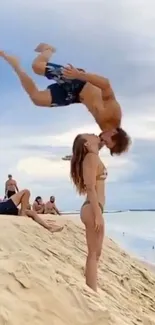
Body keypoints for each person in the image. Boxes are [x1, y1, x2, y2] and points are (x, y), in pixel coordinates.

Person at [0, 45, 131, 155]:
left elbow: (94, 149)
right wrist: (80, 75)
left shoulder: (106, 133)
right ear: (114, 133)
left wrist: (76, 157)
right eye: (107, 142)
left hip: (75, 97)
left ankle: (15, 65)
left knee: (37, 99)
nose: (104, 142)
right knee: (37, 66)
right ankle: (48, 49)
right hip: (80, 82)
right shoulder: (113, 114)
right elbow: (106, 84)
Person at [70, 133, 107, 292]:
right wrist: (98, 214)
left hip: (94, 207)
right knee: (93, 253)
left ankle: (91, 287)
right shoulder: (91, 158)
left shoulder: (92, 155)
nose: (94, 134)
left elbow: (102, 142)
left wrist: (105, 136)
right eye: (90, 135)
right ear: (86, 144)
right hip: (93, 208)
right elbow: (90, 187)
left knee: (96, 253)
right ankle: (92, 291)